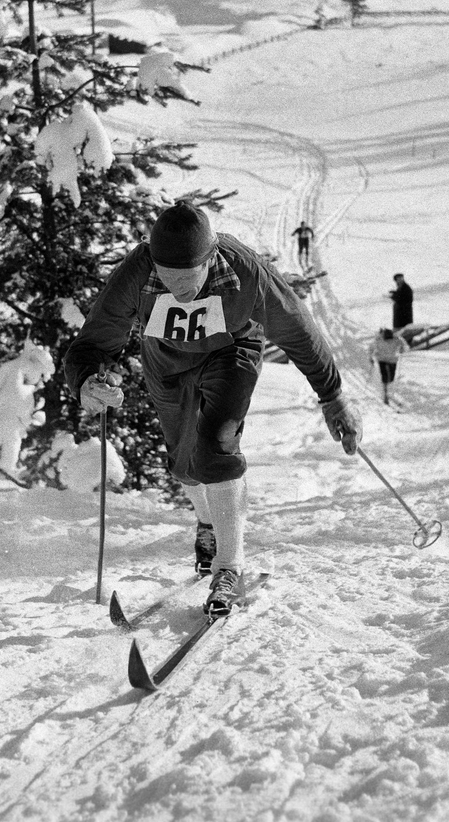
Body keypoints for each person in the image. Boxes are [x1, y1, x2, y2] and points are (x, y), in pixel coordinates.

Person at [66, 201, 363, 618]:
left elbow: (296, 328)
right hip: (166, 362)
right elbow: (95, 341)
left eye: (188, 278)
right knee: (185, 463)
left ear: (211, 258)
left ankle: (230, 567)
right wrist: (89, 382)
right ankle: (208, 523)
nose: (178, 289)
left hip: (231, 352)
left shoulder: (243, 271)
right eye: (168, 278)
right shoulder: (137, 273)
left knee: (216, 444)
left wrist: (333, 397)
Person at [369, 327, 408, 405]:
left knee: (391, 377)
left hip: (392, 360)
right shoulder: (379, 340)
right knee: (385, 376)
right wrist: (371, 357)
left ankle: (388, 390)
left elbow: (404, 345)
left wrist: (402, 350)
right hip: (383, 360)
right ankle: (386, 392)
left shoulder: (396, 339)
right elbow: (371, 348)